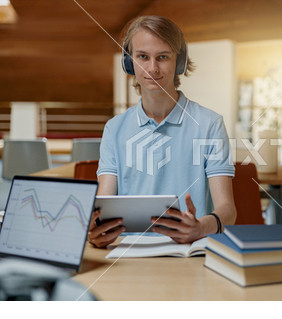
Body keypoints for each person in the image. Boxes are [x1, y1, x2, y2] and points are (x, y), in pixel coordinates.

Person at [88, 16, 236, 248]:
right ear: (129, 62)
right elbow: (104, 205)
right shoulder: (114, 129)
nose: (152, 68)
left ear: (179, 63)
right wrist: (97, 232)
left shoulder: (209, 124)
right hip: (128, 253)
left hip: (190, 252)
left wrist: (201, 227)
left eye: (163, 57)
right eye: (143, 57)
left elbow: (228, 211)